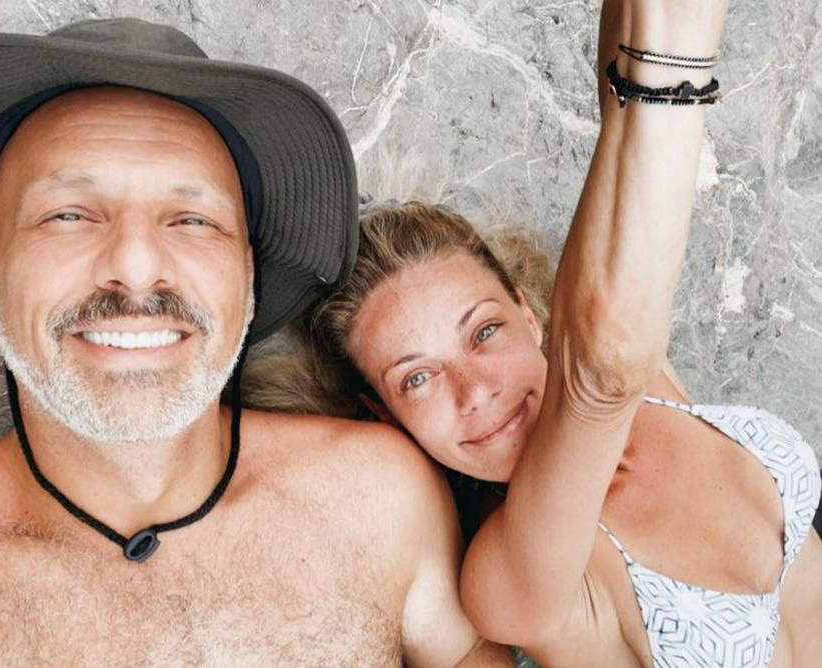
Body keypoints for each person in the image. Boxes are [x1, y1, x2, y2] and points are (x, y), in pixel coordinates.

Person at [0, 19, 514, 666]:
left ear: (246, 280)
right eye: (68, 215)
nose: (135, 266)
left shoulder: (379, 496)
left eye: (191, 220)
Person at [284, 0, 822, 665]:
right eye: (417, 378)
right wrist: (683, 47)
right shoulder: (507, 583)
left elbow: (620, 125)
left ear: (529, 313)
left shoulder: (646, 377)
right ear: (386, 415)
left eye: (484, 332)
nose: (475, 390)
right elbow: (598, 378)